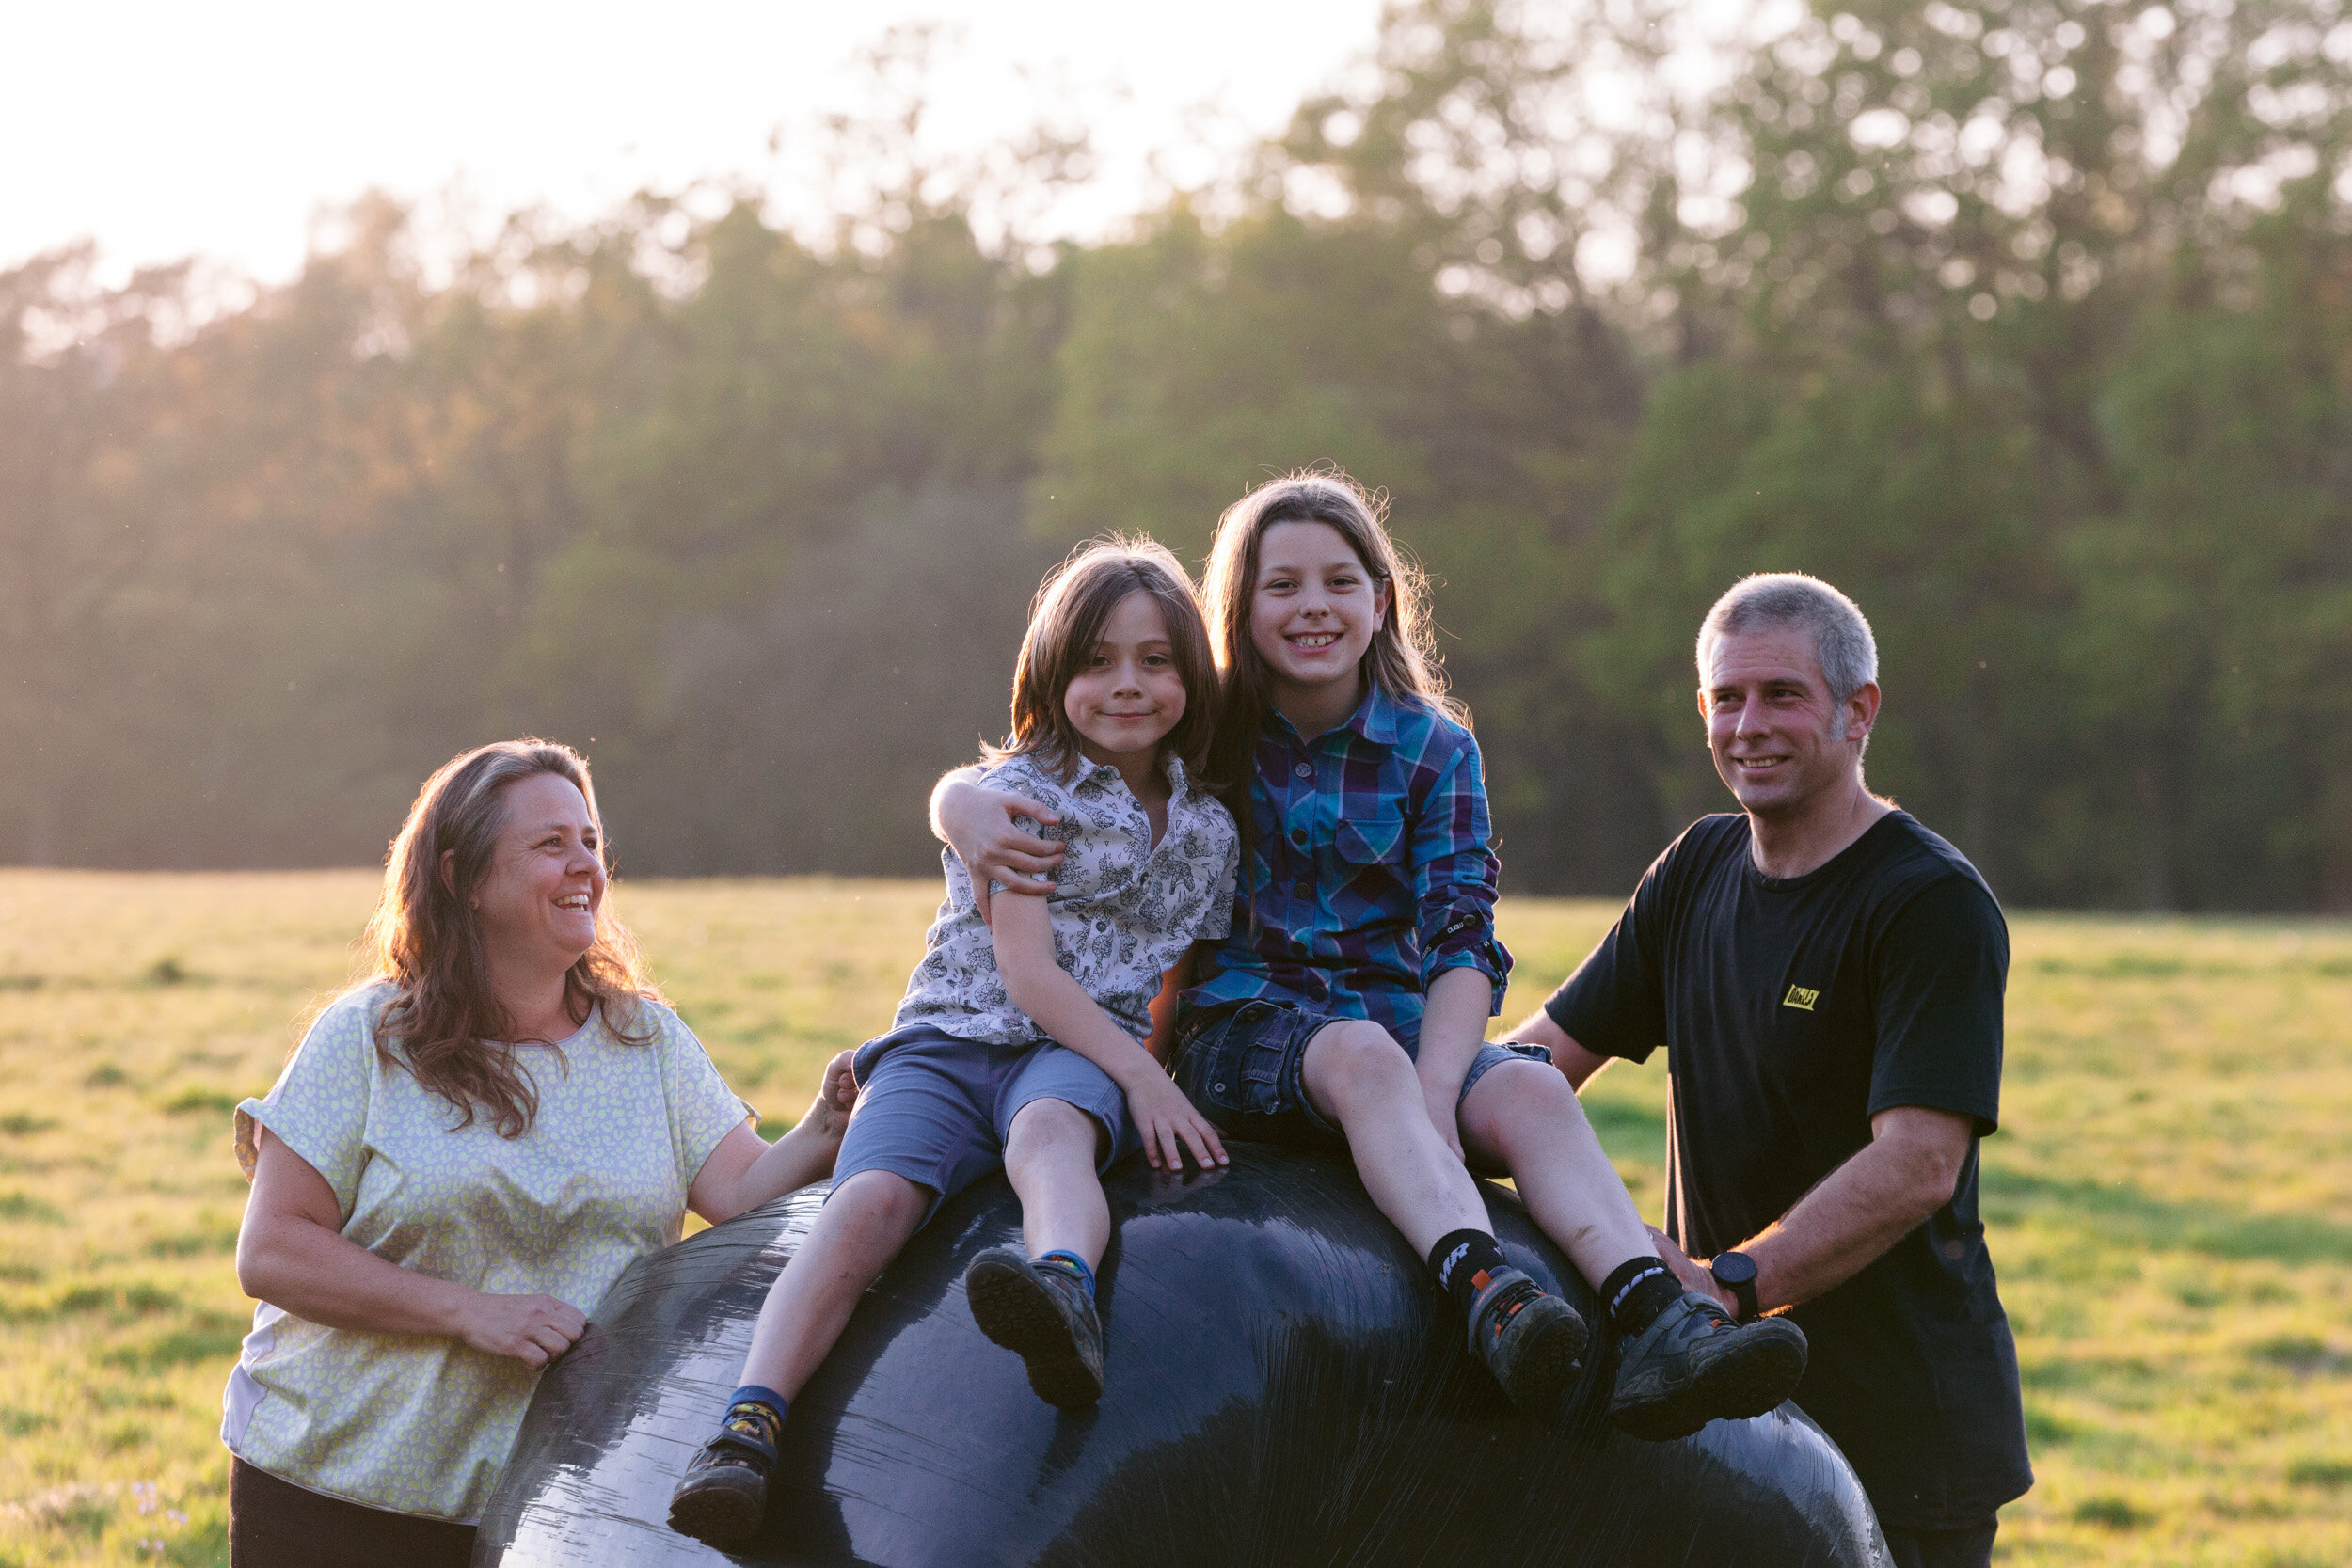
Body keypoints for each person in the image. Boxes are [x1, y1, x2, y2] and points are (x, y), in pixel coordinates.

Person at [938, 472, 1806, 1439]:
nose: (1314, 604)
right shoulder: (1208, 724)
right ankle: (1490, 1292)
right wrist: (954, 801)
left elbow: (1461, 937)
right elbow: (1056, 746)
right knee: (1358, 1054)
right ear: (1240, 606)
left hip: (1397, 1034)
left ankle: (1657, 1320)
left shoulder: (1435, 748)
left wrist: (1438, 1094)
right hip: (1246, 1032)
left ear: (1380, 598)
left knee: (1530, 1090)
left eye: (1340, 580)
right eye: (1282, 585)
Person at [666, 539, 1240, 1548]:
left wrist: (1152, 1076)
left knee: (1053, 1138)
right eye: (1098, 660)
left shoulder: (1207, 828)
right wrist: (1143, 1077)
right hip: (947, 1042)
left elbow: (1174, 975)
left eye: (1157, 661)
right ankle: (747, 1425)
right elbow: (1025, 973)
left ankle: (1059, 1283)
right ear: (1053, 673)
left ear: (1193, 675)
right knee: (867, 1202)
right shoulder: (1021, 794)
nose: (1128, 685)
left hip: (1075, 1053)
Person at [1502, 574, 2034, 1566]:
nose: (1749, 724)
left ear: (1857, 708)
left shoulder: (1927, 902)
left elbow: (1919, 1161)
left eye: (1782, 694)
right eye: (1726, 698)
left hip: (1902, 1429)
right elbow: (1531, 1065)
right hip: (1727, 1410)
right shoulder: (1697, 868)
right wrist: (1379, 1112)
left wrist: (1724, 1284)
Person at [226, 739, 854, 1568]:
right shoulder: (365, 1038)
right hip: (339, 1483)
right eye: (550, 844)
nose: (584, 866)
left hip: (551, 1509)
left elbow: (740, 1188)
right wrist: (471, 1310)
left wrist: (825, 1121)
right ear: (464, 877)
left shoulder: (647, 1039)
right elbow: (272, 1251)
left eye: (590, 841)